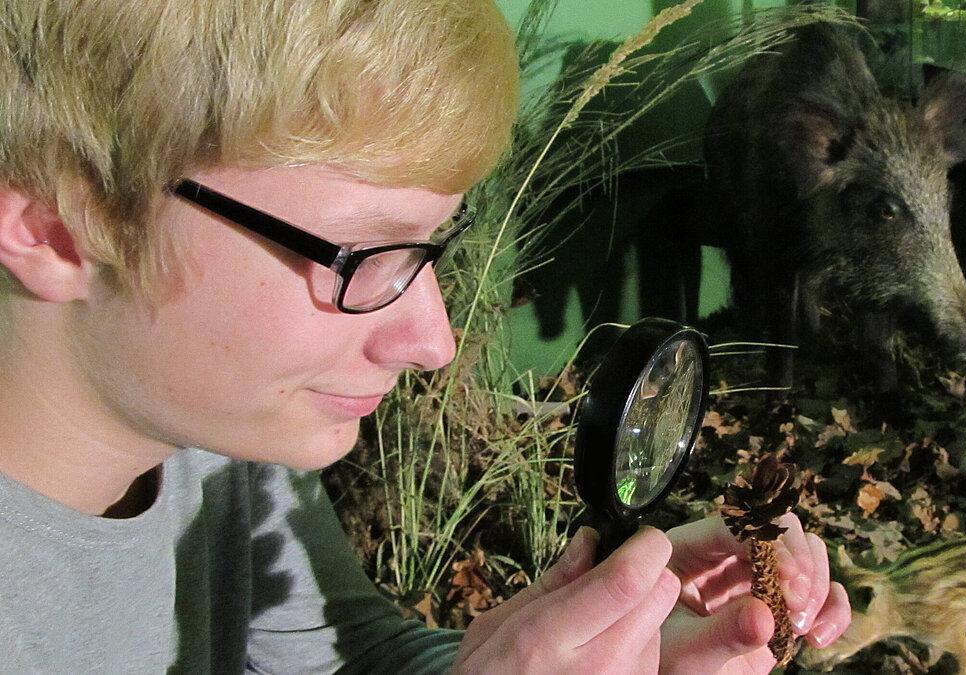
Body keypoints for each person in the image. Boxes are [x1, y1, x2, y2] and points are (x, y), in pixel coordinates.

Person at [0, 1, 851, 672]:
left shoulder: (216, 445)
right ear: (54, 227)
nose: (433, 340)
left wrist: (622, 644)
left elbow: (344, 655)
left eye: (434, 247)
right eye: (364, 255)